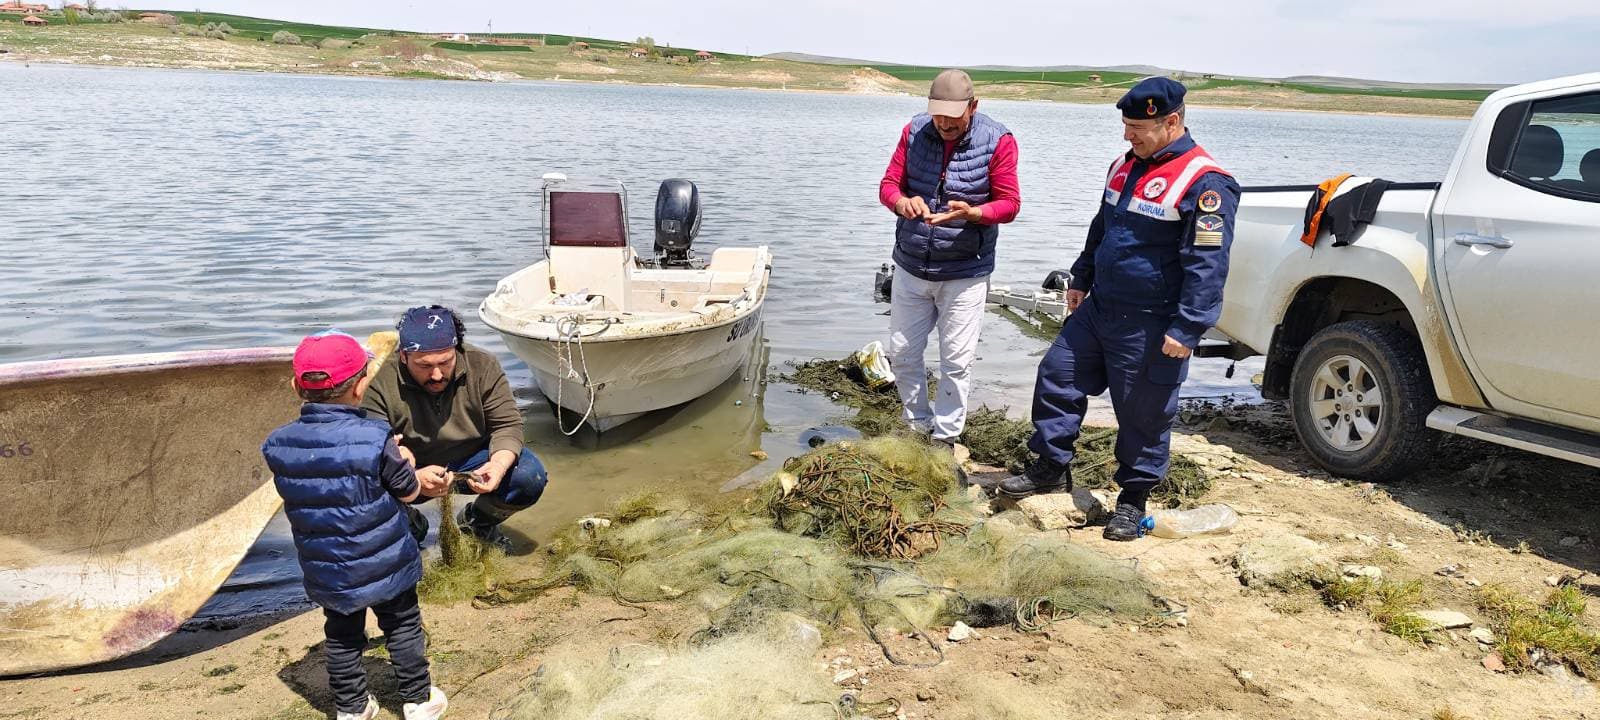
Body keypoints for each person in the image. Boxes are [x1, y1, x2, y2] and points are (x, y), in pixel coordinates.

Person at [999, 77, 1240, 542]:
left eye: (1137, 128)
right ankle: (1051, 466)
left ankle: (1131, 501)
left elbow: (1209, 265)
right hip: (1101, 307)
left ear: (1171, 122)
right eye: (1126, 126)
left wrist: (1188, 328)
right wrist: (1081, 277)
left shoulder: (1206, 184)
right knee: (1057, 375)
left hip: (1153, 322)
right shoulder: (1124, 165)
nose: (1128, 136)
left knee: (1143, 414)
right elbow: (1103, 226)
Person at [262, 331, 449, 720]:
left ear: (298, 387)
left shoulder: (278, 443)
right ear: (362, 386)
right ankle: (417, 699)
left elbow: (320, 483)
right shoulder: (374, 435)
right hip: (385, 560)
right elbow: (408, 490)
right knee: (402, 625)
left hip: (327, 564)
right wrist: (405, 459)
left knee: (342, 635)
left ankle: (351, 707)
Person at [879, 68, 1021, 447]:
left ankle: (945, 437)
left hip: (965, 271)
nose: (943, 124)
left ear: (973, 107)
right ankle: (916, 425)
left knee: (956, 361)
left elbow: (1010, 205)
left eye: (953, 117)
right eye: (937, 115)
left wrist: (974, 213)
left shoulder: (999, 140)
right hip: (911, 264)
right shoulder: (914, 132)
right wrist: (902, 202)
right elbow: (888, 185)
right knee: (904, 354)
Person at [362, 305, 549, 551]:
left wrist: (497, 466)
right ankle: (410, 526)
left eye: (445, 362)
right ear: (404, 356)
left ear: (457, 350)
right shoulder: (379, 380)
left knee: (528, 476)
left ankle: (477, 523)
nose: (437, 375)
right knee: (358, 485)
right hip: (411, 471)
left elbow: (507, 426)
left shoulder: (483, 365)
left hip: (472, 464)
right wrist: (412, 478)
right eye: (424, 365)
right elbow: (371, 447)